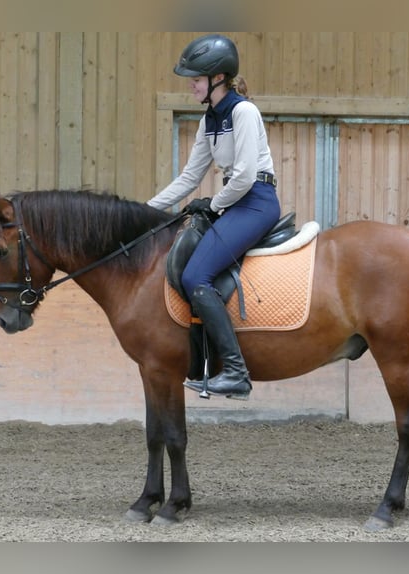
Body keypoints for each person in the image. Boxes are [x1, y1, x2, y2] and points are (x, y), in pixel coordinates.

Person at [148, 33, 281, 400]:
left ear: (218, 78)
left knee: (196, 275)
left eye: (196, 78)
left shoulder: (243, 112)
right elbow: (189, 177)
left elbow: (244, 176)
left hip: (255, 202)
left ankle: (236, 372)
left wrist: (214, 204)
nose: (191, 84)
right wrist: (144, 212)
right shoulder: (209, 120)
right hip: (234, 201)